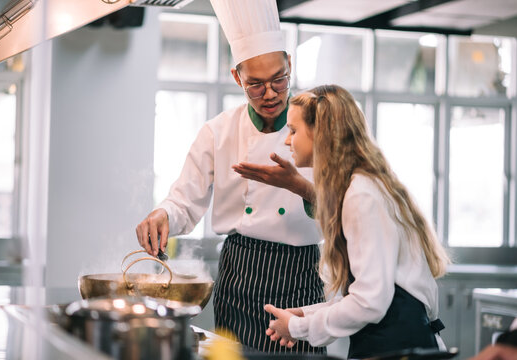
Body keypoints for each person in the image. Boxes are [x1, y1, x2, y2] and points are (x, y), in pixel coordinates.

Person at [135, 0, 325, 354]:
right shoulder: (217, 132)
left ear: (290, 66)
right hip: (241, 273)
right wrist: (163, 214)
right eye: (255, 84)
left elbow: (343, 204)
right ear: (236, 77)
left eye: (278, 80)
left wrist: (298, 186)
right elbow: (183, 201)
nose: (270, 94)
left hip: (301, 275)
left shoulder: (320, 127)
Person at [241, 84, 451, 358]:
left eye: (293, 130)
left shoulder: (361, 195)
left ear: (321, 134)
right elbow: (361, 295)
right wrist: (303, 315)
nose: (287, 140)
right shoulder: (362, 187)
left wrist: (299, 326)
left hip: (399, 348)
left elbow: (370, 303)